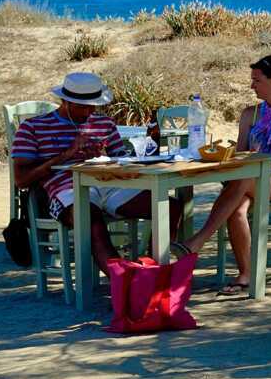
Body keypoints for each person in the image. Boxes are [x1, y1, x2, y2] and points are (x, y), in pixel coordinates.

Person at [173, 55, 271, 291]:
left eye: (257, 81)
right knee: (237, 208)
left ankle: (198, 241)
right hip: (252, 178)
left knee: (245, 179)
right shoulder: (251, 113)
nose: (251, 86)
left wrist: (260, 167)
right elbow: (240, 154)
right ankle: (246, 274)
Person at [10, 71, 183, 265]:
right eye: (85, 106)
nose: (90, 111)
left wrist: (104, 157)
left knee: (170, 207)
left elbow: (122, 162)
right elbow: (21, 180)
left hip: (110, 184)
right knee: (91, 222)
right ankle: (123, 282)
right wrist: (65, 155)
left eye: (94, 105)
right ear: (66, 102)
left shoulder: (104, 124)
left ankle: (154, 271)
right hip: (67, 188)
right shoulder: (33, 127)